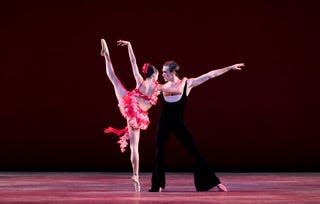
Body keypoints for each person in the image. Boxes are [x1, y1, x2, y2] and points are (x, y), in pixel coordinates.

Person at [100, 39, 186, 192]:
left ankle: (106, 56)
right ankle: (135, 175)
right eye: (160, 73)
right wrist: (184, 81)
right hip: (138, 115)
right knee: (134, 147)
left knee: (114, 79)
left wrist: (130, 46)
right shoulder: (158, 87)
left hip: (129, 103)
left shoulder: (140, 80)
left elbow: (132, 61)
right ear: (156, 74)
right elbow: (177, 90)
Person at [149, 60, 244, 192]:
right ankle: (157, 185)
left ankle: (213, 182)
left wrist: (229, 67)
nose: (163, 74)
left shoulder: (187, 84)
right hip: (163, 123)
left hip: (178, 124)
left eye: (165, 72)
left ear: (173, 72)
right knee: (159, 152)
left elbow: (210, 75)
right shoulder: (162, 86)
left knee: (195, 152)